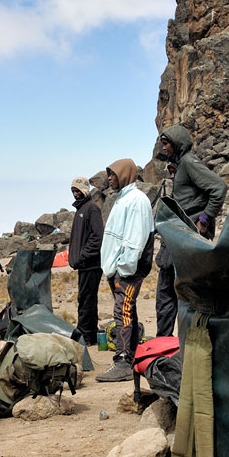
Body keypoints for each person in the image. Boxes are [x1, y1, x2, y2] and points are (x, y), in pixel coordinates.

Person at [154, 125, 228, 337]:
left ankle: (181, 344)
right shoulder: (179, 166)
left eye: (166, 143)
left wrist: (204, 219)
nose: (164, 148)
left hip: (186, 237)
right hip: (175, 236)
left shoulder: (189, 163)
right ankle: (165, 343)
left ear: (177, 143)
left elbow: (219, 188)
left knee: (180, 293)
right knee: (166, 291)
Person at [96, 159, 154, 383]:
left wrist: (124, 269)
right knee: (127, 310)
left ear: (125, 175)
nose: (109, 178)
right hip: (118, 269)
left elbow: (134, 240)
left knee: (123, 311)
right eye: (109, 174)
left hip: (129, 270)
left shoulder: (136, 200)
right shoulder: (122, 199)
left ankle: (122, 361)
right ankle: (131, 356)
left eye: (113, 174)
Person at [67, 176, 103, 349]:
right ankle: (91, 334)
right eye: (73, 191)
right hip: (85, 265)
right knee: (87, 299)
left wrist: (82, 256)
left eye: (78, 191)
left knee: (86, 300)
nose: (75, 194)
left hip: (91, 264)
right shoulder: (81, 209)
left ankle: (85, 335)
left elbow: (97, 237)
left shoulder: (91, 209)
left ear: (85, 190)